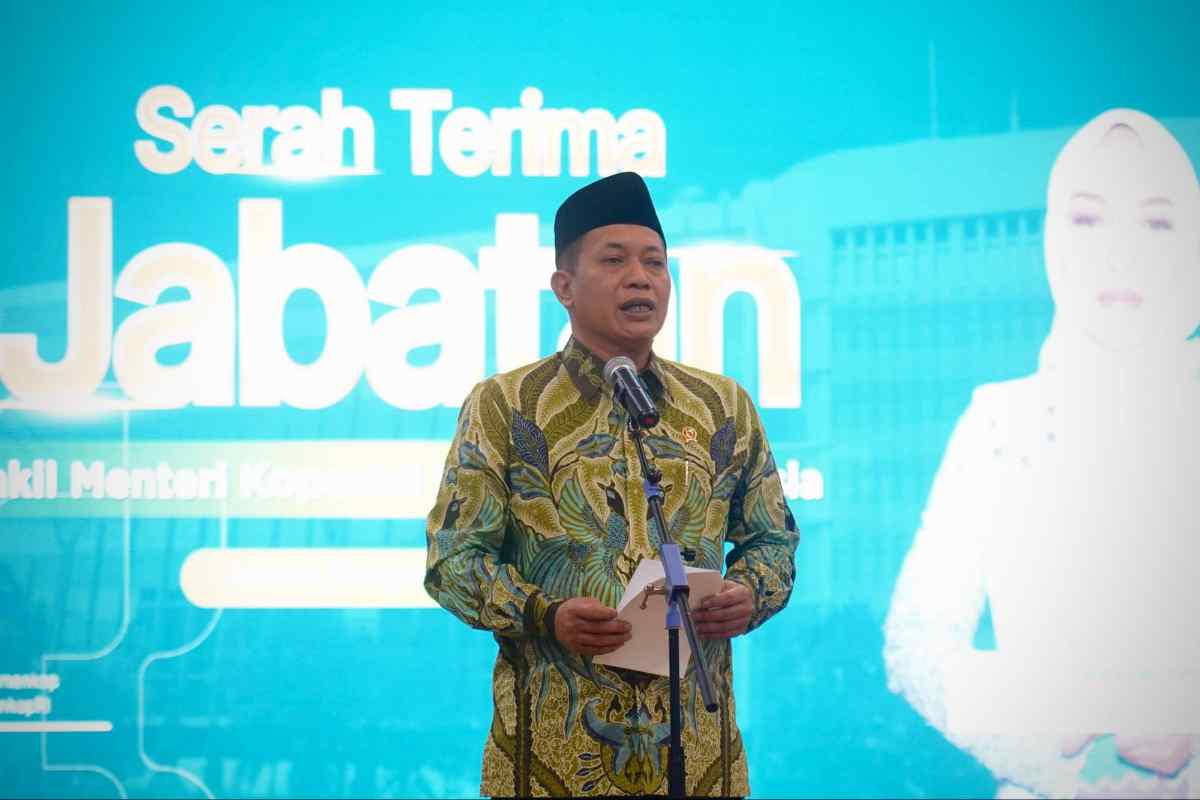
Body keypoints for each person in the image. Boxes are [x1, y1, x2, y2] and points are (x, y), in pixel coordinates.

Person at [424, 171, 799, 798]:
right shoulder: (507, 406)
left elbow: (773, 540)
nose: (640, 278)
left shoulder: (721, 405)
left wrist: (748, 593)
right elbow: (452, 561)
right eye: (615, 260)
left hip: (698, 760)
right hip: (552, 761)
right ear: (564, 287)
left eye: (655, 262)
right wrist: (545, 615)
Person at [883, 109, 1200, 799]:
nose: (1120, 252)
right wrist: (1055, 714)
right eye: (1089, 219)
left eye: (1156, 223)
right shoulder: (1000, 422)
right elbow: (915, 646)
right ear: (1054, 237)